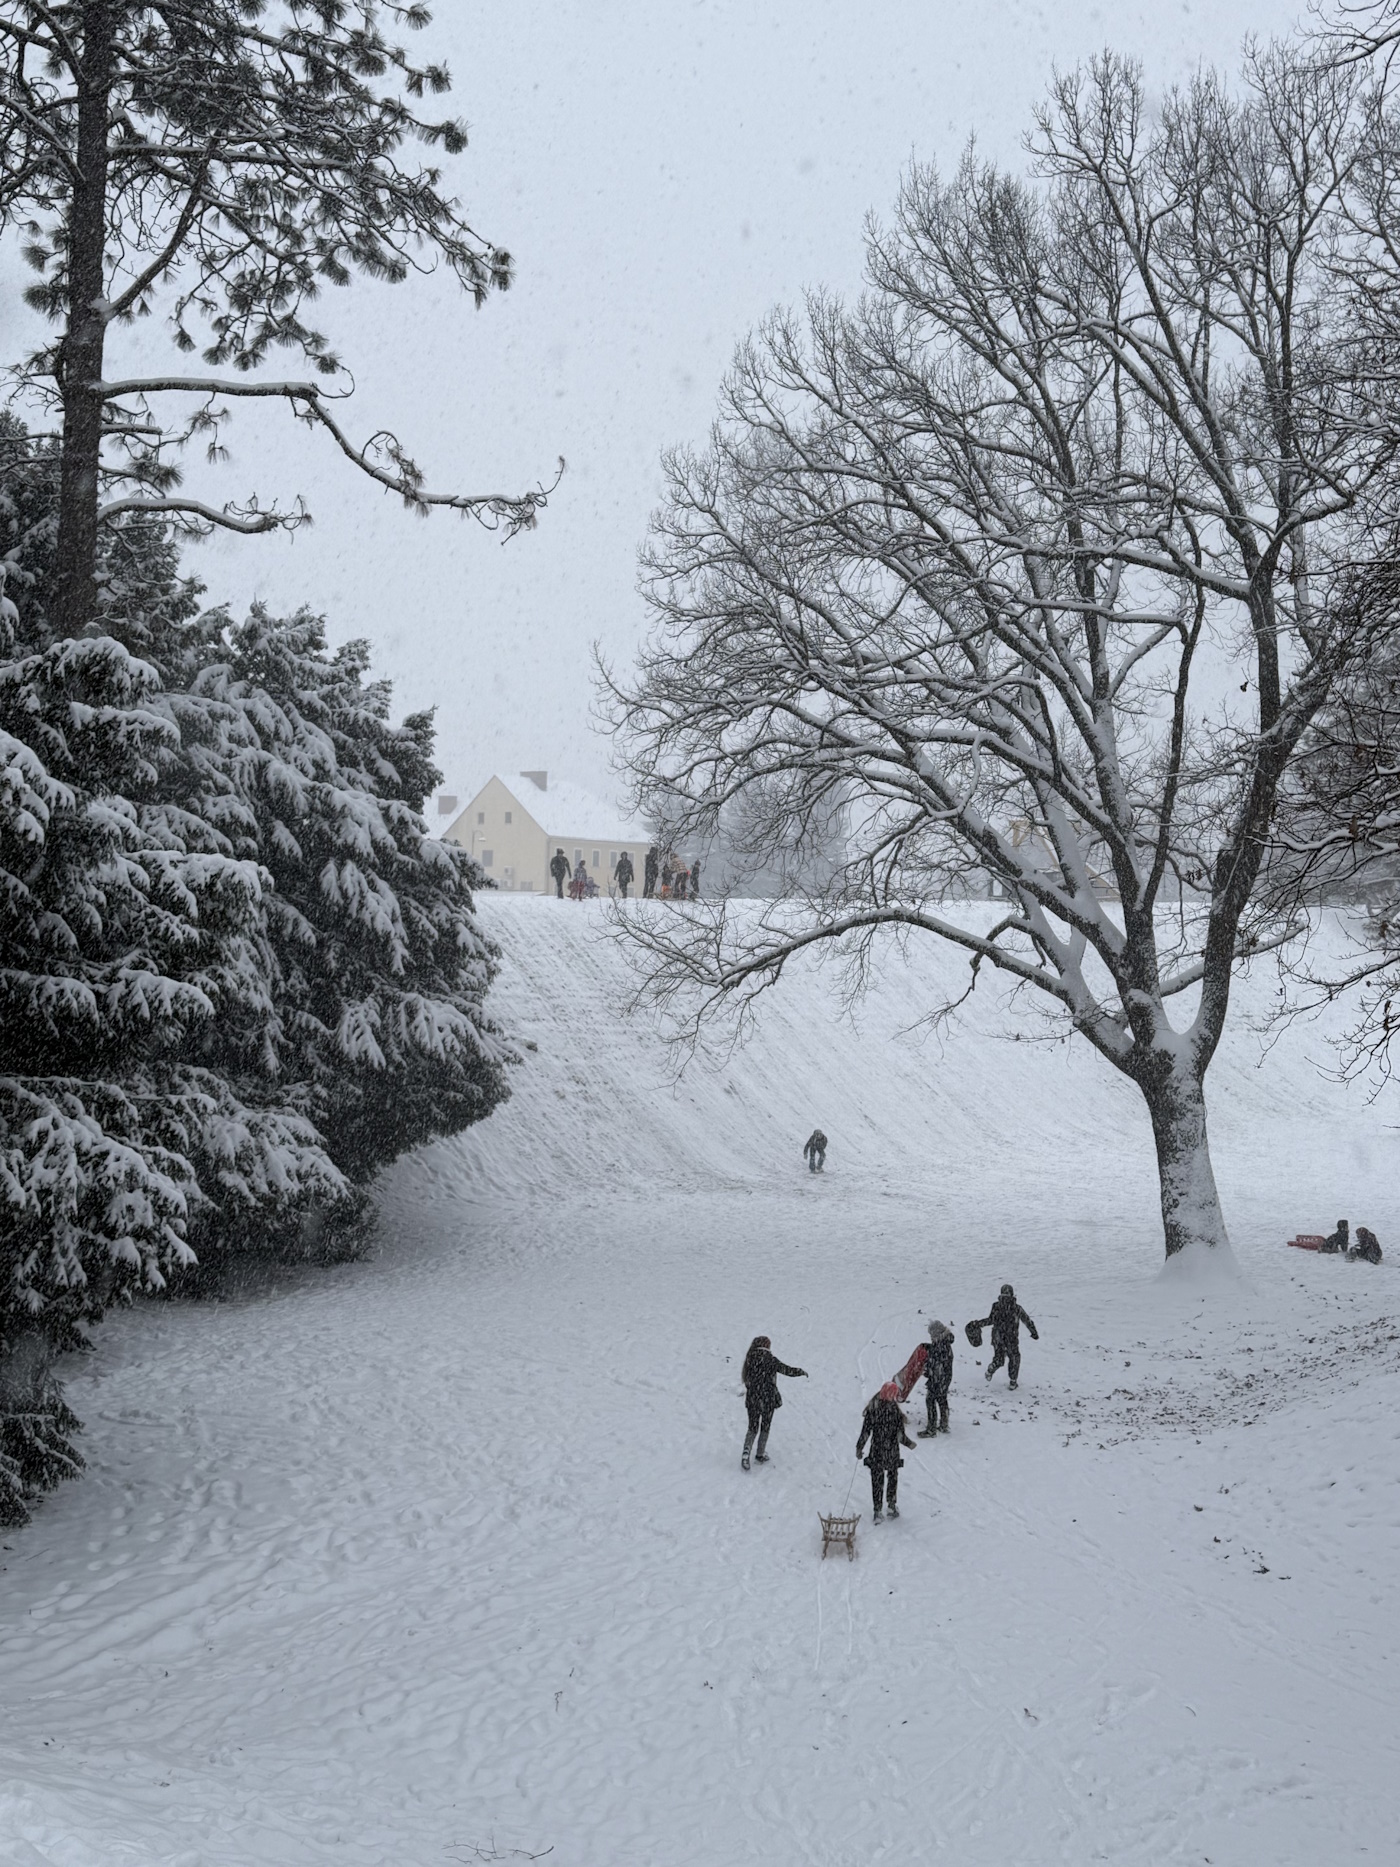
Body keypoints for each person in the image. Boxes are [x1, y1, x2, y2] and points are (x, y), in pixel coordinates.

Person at [740, 1335, 807, 1469]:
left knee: (752, 1427)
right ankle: (760, 1454)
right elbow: (787, 1370)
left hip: (753, 1398)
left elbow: (746, 1379)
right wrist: (800, 1371)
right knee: (765, 1426)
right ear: (766, 1345)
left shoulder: (749, 1358)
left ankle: (746, 1452)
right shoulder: (770, 1359)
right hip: (768, 1399)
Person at [857, 1382, 915, 1521]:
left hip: (877, 1451)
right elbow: (900, 1436)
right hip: (892, 1452)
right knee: (892, 1478)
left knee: (877, 1481)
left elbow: (866, 1431)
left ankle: (877, 1510)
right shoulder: (895, 1412)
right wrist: (910, 1444)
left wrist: (859, 1447)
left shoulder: (873, 1409)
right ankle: (891, 1505)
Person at [973, 1283, 1039, 1390]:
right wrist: (1034, 1332)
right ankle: (1013, 1382)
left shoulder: (996, 1306)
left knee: (999, 1358)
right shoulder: (1017, 1308)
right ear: (1012, 1294)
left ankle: (992, 1367)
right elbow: (1027, 1320)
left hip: (997, 1337)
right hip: (1011, 1338)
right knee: (1014, 1358)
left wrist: (978, 1323)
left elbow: (990, 1320)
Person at [919, 1320, 955, 1436]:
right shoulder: (944, 1342)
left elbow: (936, 1363)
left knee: (930, 1400)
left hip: (938, 1378)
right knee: (942, 1399)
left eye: (932, 1335)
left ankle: (931, 1428)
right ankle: (944, 1424)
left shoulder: (941, 1346)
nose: (931, 1338)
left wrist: (928, 1372)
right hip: (945, 1377)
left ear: (937, 1333)